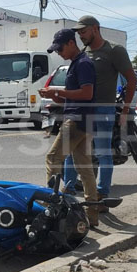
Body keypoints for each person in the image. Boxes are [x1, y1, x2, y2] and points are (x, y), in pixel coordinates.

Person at [62, 15, 136, 211]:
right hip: (83, 111)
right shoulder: (84, 52)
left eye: (83, 32)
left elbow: (131, 80)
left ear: (95, 28)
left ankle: (101, 196)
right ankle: (67, 193)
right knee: (71, 152)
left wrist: (125, 110)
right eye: (78, 33)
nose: (81, 37)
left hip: (104, 110)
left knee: (104, 153)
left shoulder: (114, 50)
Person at [39, 29, 100, 227]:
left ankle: (52, 207)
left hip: (76, 120)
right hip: (84, 120)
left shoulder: (83, 64)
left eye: (60, 48)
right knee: (84, 167)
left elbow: (87, 93)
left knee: (53, 158)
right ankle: (92, 215)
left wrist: (58, 92)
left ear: (71, 43)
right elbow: (75, 95)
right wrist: (54, 96)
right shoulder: (77, 63)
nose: (59, 53)